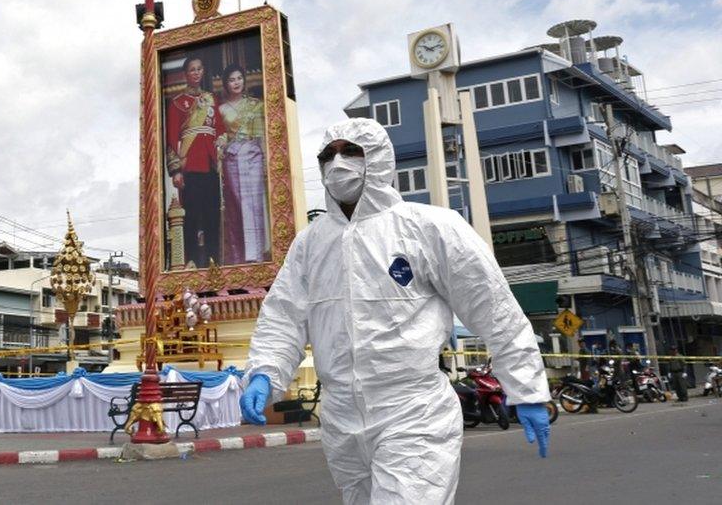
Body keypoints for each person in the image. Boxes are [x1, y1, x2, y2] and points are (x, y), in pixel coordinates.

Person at [240, 119, 551, 504]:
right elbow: (283, 318)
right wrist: (265, 374)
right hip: (341, 419)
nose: (337, 164)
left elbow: (494, 309)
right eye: (328, 155)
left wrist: (527, 388)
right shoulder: (310, 245)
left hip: (413, 411)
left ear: (379, 159)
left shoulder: (429, 227)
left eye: (351, 151)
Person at [165, 54, 225, 268]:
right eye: (192, 69)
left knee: (212, 214)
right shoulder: (177, 103)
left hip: (210, 163)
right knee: (191, 214)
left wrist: (221, 146)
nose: (197, 72)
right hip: (190, 165)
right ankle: (192, 261)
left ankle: (214, 260)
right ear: (186, 74)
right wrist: (176, 171)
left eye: (200, 69)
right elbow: (172, 138)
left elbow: (220, 128)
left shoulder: (211, 99)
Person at [217, 63, 270, 265]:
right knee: (237, 206)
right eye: (232, 79)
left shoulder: (256, 105)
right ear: (226, 83)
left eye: (239, 78)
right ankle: (239, 255)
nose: (236, 82)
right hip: (231, 159)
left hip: (253, 156)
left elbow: (259, 135)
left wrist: (265, 160)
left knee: (254, 204)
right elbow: (222, 136)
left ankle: (256, 253)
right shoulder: (221, 109)